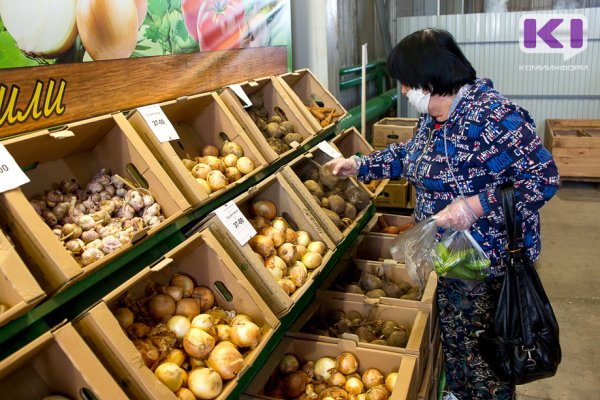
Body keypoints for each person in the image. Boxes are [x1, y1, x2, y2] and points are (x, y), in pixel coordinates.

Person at [325, 28, 560, 400]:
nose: (404, 91)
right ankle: (460, 391)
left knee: (489, 351)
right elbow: (410, 156)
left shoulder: (493, 116)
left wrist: (474, 206)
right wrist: (360, 165)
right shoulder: (435, 118)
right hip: (453, 256)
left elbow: (543, 177)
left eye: (406, 82)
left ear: (430, 77)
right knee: (458, 335)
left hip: (492, 263)